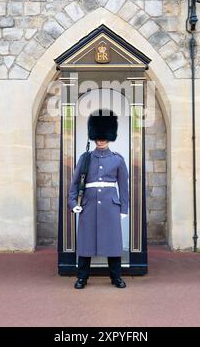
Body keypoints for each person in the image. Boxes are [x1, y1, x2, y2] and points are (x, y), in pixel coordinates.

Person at [68, 109, 129, 289]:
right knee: (86, 244)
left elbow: (123, 187)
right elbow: (74, 184)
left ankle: (116, 277)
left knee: (113, 243)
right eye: (99, 137)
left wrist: (124, 209)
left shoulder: (118, 160)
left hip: (110, 207)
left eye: (104, 137)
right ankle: (82, 278)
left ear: (109, 137)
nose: (101, 140)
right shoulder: (85, 158)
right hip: (88, 205)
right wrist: (73, 203)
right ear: (94, 137)